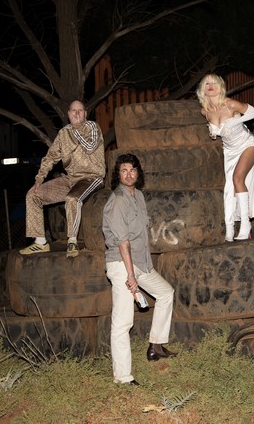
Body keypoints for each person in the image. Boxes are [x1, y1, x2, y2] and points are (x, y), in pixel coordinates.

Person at [102, 153, 177, 386]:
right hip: (122, 264)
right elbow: (122, 242)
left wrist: (139, 270)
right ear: (118, 174)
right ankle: (123, 377)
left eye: (132, 170)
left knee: (166, 293)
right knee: (123, 322)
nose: (128, 174)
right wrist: (131, 277)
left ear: (138, 173)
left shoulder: (139, 196)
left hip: (139, 262)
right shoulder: (117, 201)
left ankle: (156, 346)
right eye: (124, 170)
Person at [19, 100, 105, 258]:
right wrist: (39, 178)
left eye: (80, 111)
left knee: (72, 199)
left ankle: (72, 241)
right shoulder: (63, 134)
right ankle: (40, 242)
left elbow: (90, 147)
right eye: (74, 111)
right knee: (32, 195)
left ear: (86, 114)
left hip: (91, 177)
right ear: (68, 114)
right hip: (70, 179)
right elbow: (51, 157)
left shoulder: (92, 127)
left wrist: (76, 129)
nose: (77, 114)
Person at [196, 73, 254, 242]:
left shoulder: (230, 103)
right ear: (203, 89)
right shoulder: (205, 111)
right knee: (229, 189)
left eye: (214, 82)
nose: (210, 85)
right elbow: (216, 131)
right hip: (230, 151)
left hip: (247, 144)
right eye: (207, 83)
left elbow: (253, 112)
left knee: (237, 178)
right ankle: (230, 227)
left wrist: (233, 122)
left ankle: (246, 224)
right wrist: (213, 132)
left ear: (220, 87)